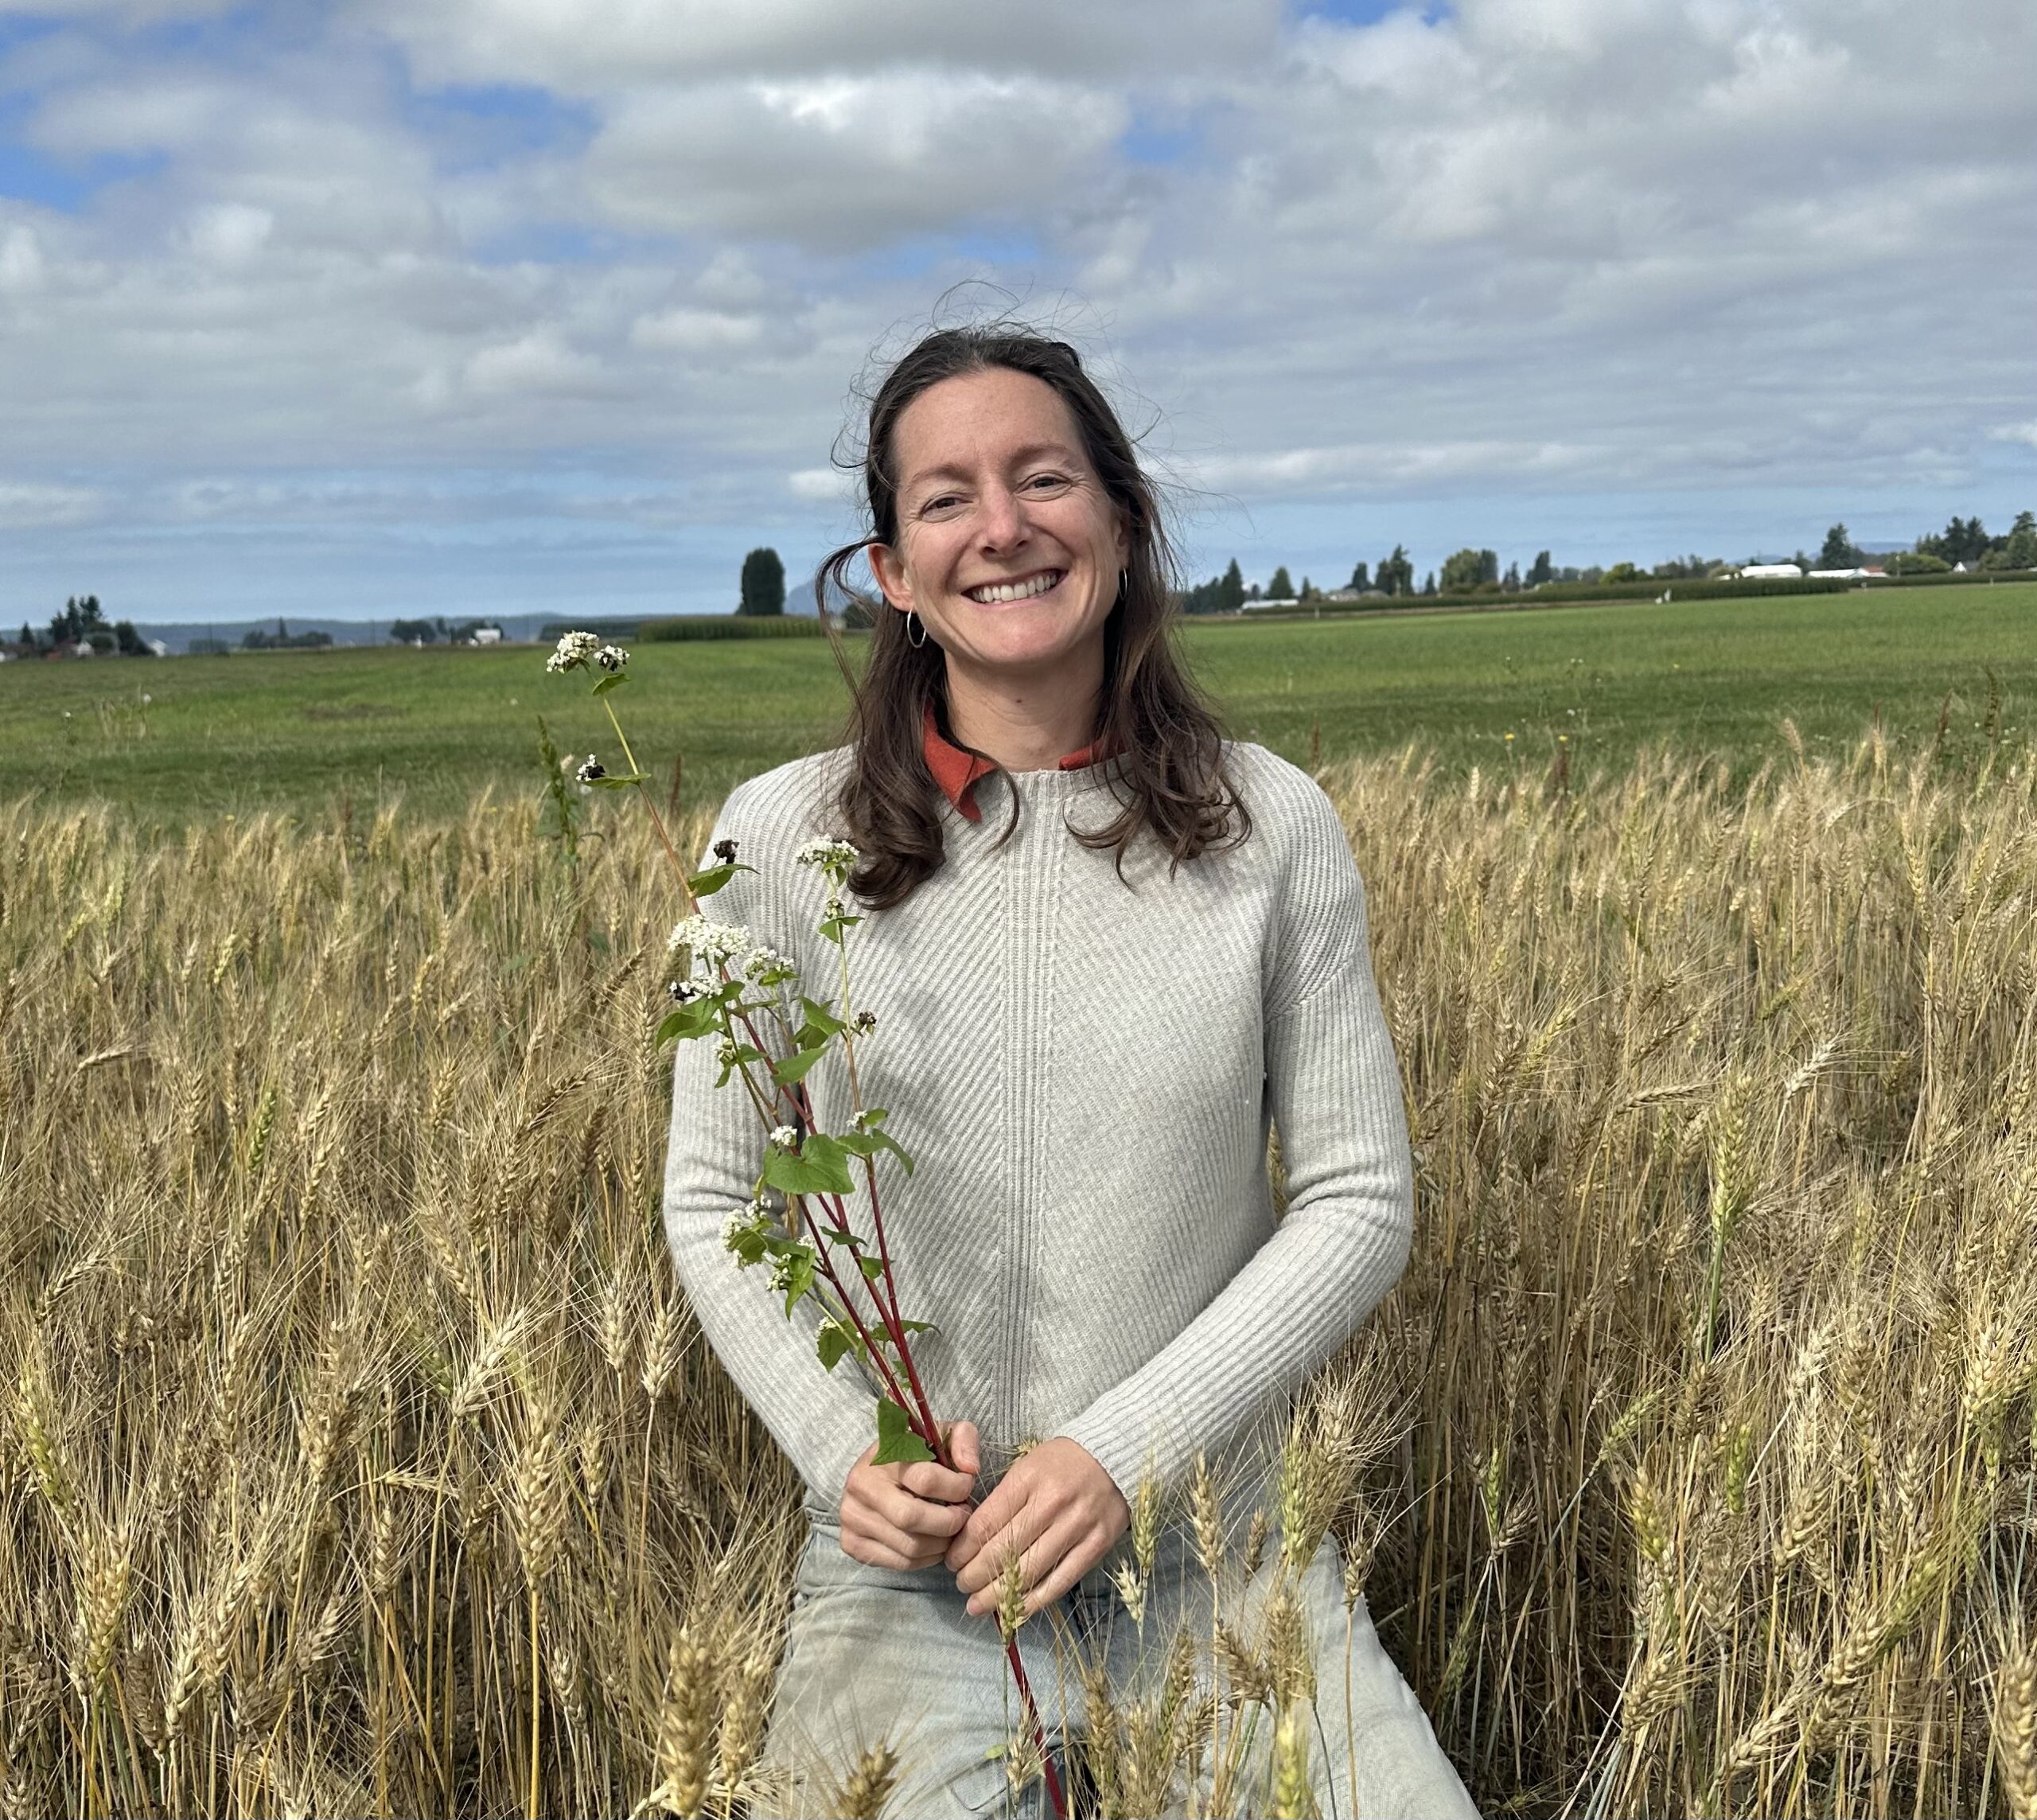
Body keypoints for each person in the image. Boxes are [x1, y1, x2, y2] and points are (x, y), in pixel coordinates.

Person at [661, 322, 1477, 1819]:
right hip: (916, 1579)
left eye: (1044, 478)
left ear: (1119, 519)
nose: (1004, 526)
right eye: (946, 497)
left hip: (1223, 1563)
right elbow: (718, 1199)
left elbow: (1360, 1197)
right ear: (894, 572)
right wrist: (850, 1452)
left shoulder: (1272, 826)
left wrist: (1122, 1456)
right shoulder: (777, 837)